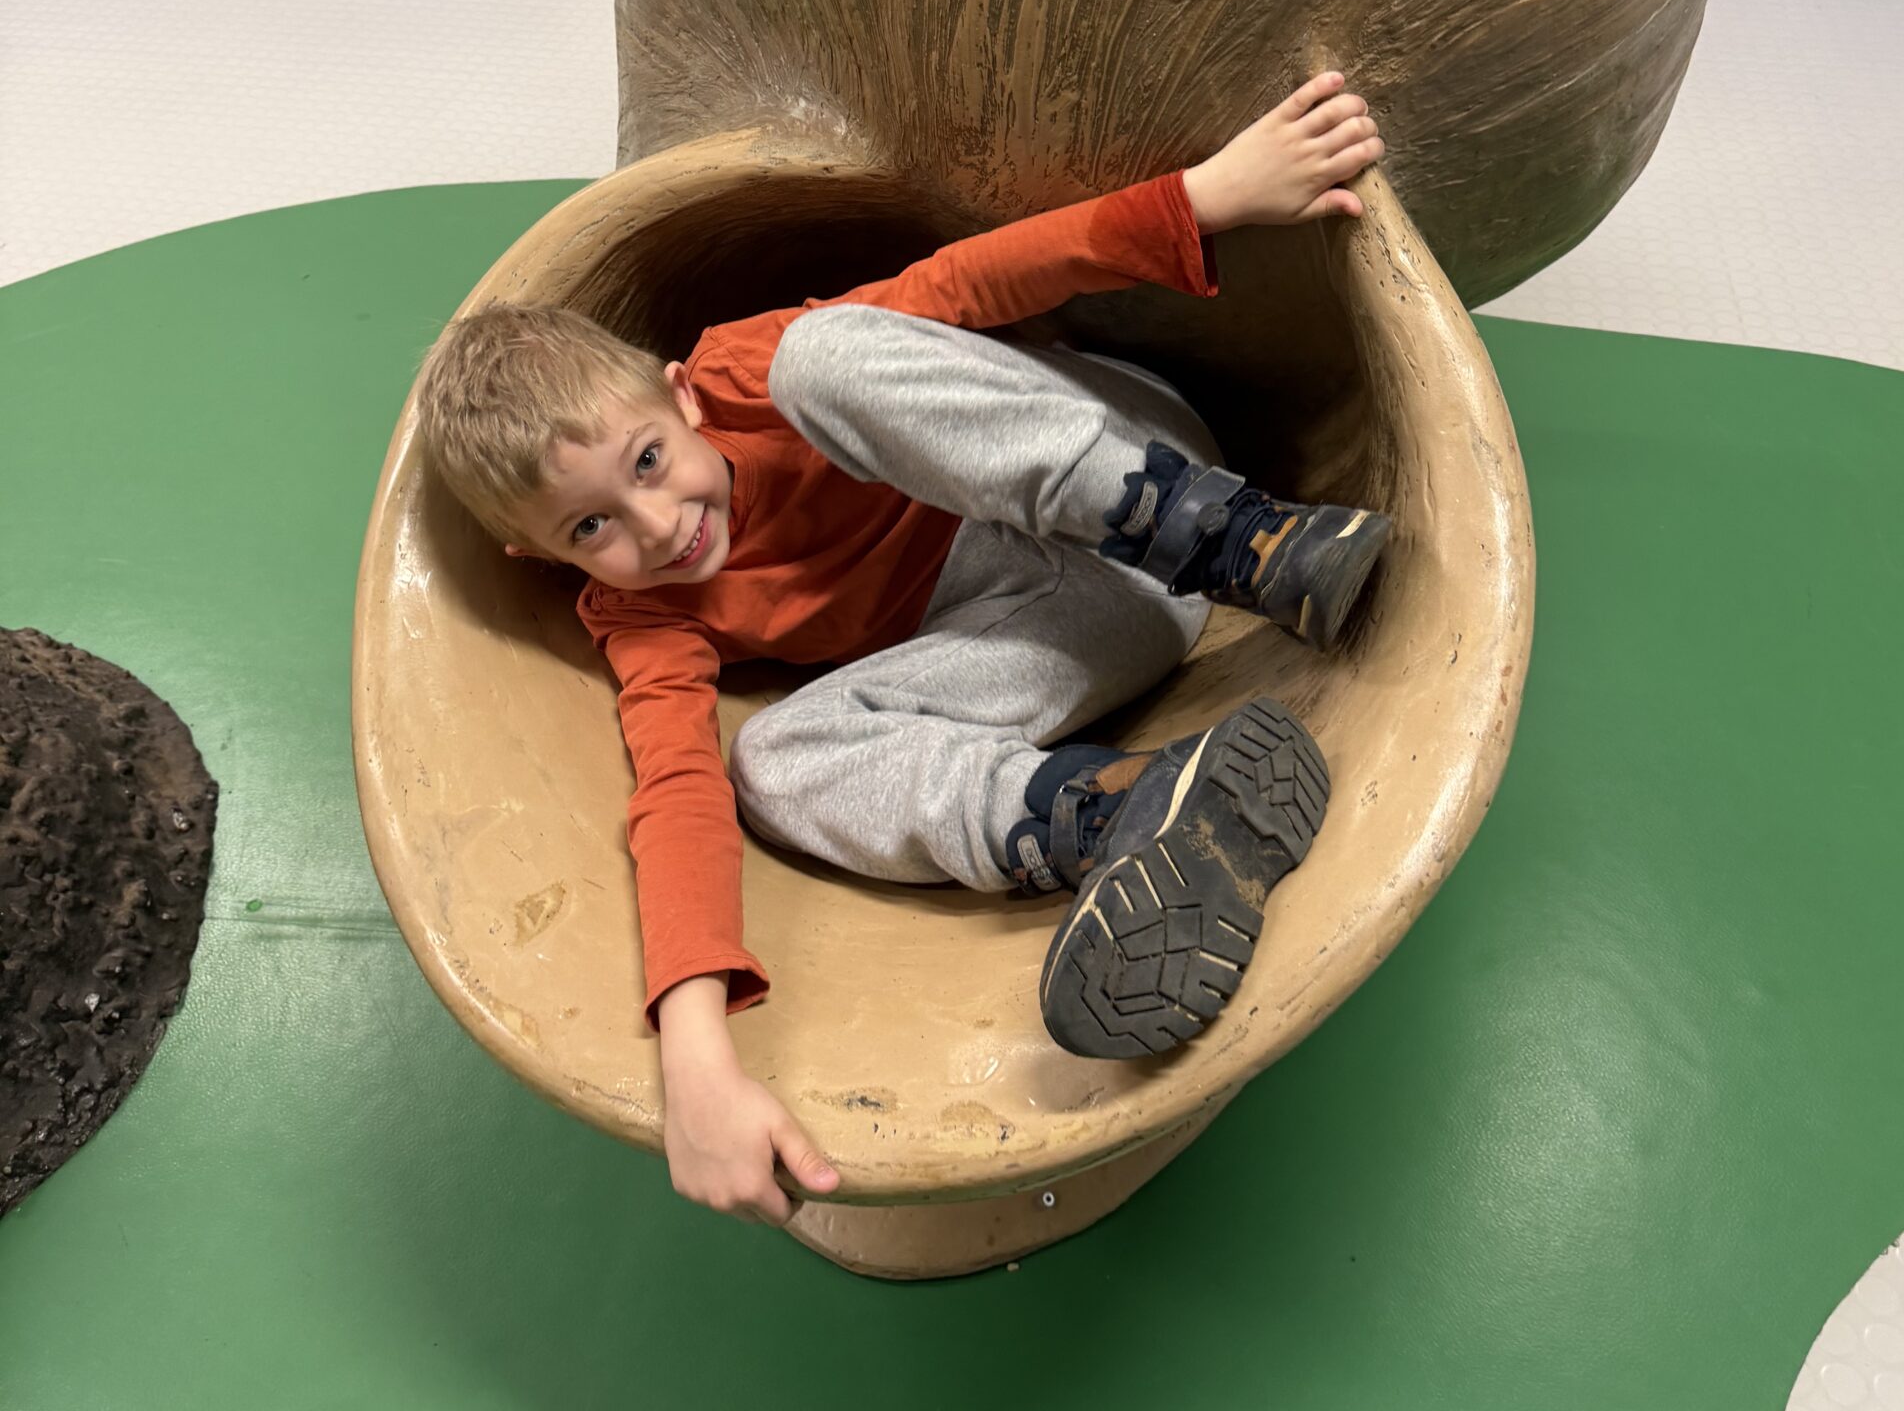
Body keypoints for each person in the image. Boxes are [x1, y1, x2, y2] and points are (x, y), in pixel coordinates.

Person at [415, 72, 1389, 1227]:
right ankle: (1123, 813)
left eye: (647, 462)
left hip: (1119, 468)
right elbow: (674, 798)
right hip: (1105, 617)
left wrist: (1204, 198)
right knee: (766, 764)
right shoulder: (643, 617)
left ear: (679, 399)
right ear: (539, 558)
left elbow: (968, 282)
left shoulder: (736, 375)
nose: (658, 525)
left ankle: (1247, 539)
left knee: (822, 354)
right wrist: (694, 1052)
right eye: (591, 529)